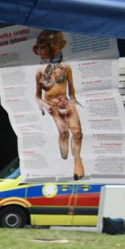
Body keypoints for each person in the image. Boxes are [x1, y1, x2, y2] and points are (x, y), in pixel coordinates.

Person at [33, 30, 85, 180]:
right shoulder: (40, 72)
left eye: (45, 47)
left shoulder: (66, 68)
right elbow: (38, 94)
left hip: (66, 102)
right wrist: (43, 103)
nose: (42, 51)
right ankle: (64, 156)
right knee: (63, 132)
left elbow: (72, 89)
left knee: (78, 133)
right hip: (52, 104)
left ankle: (77, 160)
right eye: (40, 48)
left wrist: (72, 100)